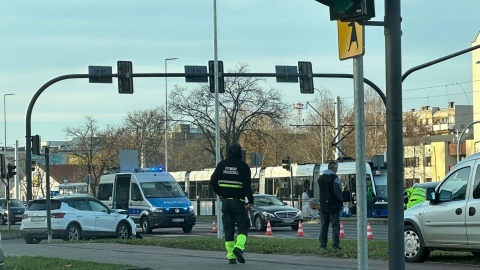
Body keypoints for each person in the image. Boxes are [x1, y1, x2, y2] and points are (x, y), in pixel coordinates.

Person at [210, 143, 254, 265]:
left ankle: (230, 256)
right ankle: (239, 248)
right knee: (243, 226)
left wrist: (220, 193)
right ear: (241, 154)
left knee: (228, 229)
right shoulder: (243, 167)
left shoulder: (221, 165)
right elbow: (247, 186)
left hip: (225, 203)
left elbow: (212, 181)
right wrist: (250, 201)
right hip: (238, 202)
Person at [318, 161, 343, 250]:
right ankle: (335, 245)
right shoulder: (334, 178)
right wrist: (341, 200)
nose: (336, 170)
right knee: (335, 226)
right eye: (336, 168)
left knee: (324, 225)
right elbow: (337, 192)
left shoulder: (320, 178)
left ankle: (322, 245)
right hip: (334, 205)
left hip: (323, 206)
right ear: (333, 168)